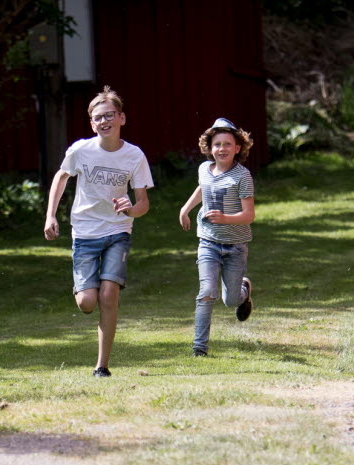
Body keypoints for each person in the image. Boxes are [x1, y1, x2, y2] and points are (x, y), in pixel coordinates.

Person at [44, 85, 153, 377]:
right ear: (91, 123)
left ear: (122, 118)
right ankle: (82, 287)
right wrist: (50, 216)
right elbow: (61, 177)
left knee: (109, 294)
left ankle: (102, 366)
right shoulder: (81, 150)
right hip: (85, 232)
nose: (104, 122)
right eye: (97, 118)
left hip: (118, 231)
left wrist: (130, 208)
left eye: (109, 116)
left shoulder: (134, 156)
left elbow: (143, 203)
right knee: (87, 302)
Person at [178, 117, 255, 357]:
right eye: (217, 144)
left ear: (238, 148)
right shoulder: (204, 169)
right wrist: (185, 209)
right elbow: (203, 187)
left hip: (235, 246)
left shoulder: (243, 176)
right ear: (209, 148)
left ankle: (243, 290)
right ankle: (199, 348)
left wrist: (226, 218)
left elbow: (249, 215)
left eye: (227, 144)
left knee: (230, 301)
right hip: (208, 242)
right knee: (206, 292)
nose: (222, 149)